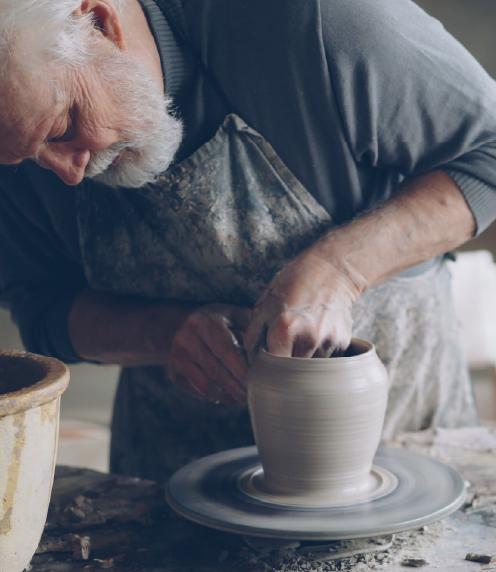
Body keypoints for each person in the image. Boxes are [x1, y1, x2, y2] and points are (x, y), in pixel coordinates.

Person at [1, 0, 495, 482]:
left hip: (397, 438)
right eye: (29, 158)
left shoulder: (317, 20)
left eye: (64, 126)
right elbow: (42, 308)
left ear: (99, 23)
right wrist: (165, 333)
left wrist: (340, 270)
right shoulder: (18, 133)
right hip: (181, 471)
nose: (67, 173)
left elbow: (489, 150)